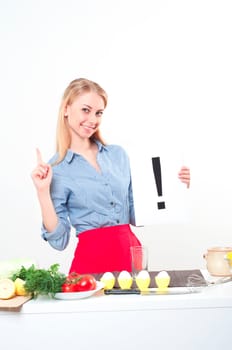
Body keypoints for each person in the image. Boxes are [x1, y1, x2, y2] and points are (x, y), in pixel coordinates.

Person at [31, 78, 191, 274]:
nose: (93, 120)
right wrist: (42, 192)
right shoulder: (57, 169)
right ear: (66, 108)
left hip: (130, 257)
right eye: (86, 110)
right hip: (91, 264)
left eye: (98, 113)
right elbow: (59, 241)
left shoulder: (118, 155)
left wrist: (175, 186)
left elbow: (136, 213)